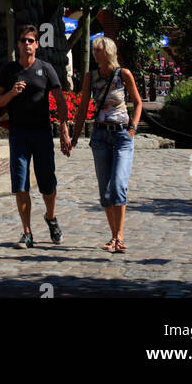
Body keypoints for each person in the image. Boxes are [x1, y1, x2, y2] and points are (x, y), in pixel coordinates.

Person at [0, 23, 72, 249]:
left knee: (47, 183)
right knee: (20, 183)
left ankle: (51, 217)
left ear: (37, 44)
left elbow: (59, 100)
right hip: (18, 133)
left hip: (42, 133)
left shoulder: (46, 69)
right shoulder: (8, 71)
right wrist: (11, 93)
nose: (26, 44)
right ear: (17, 44)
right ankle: (27, 233)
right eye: (23, 41)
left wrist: (64, 129)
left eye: (30, 41)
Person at [71, 36, 143, 252]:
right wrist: (75, 137)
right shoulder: (90, 77)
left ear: (109, 52)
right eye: (94, 50)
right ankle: (113, 237)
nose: (95, 54)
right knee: (105, 192)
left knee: (118, 186)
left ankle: (119, 237)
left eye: (98, 50)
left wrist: (133, 129)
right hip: (101, 136)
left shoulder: (123, 75)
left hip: (121, 136)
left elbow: (138, 102)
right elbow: (83, 108)